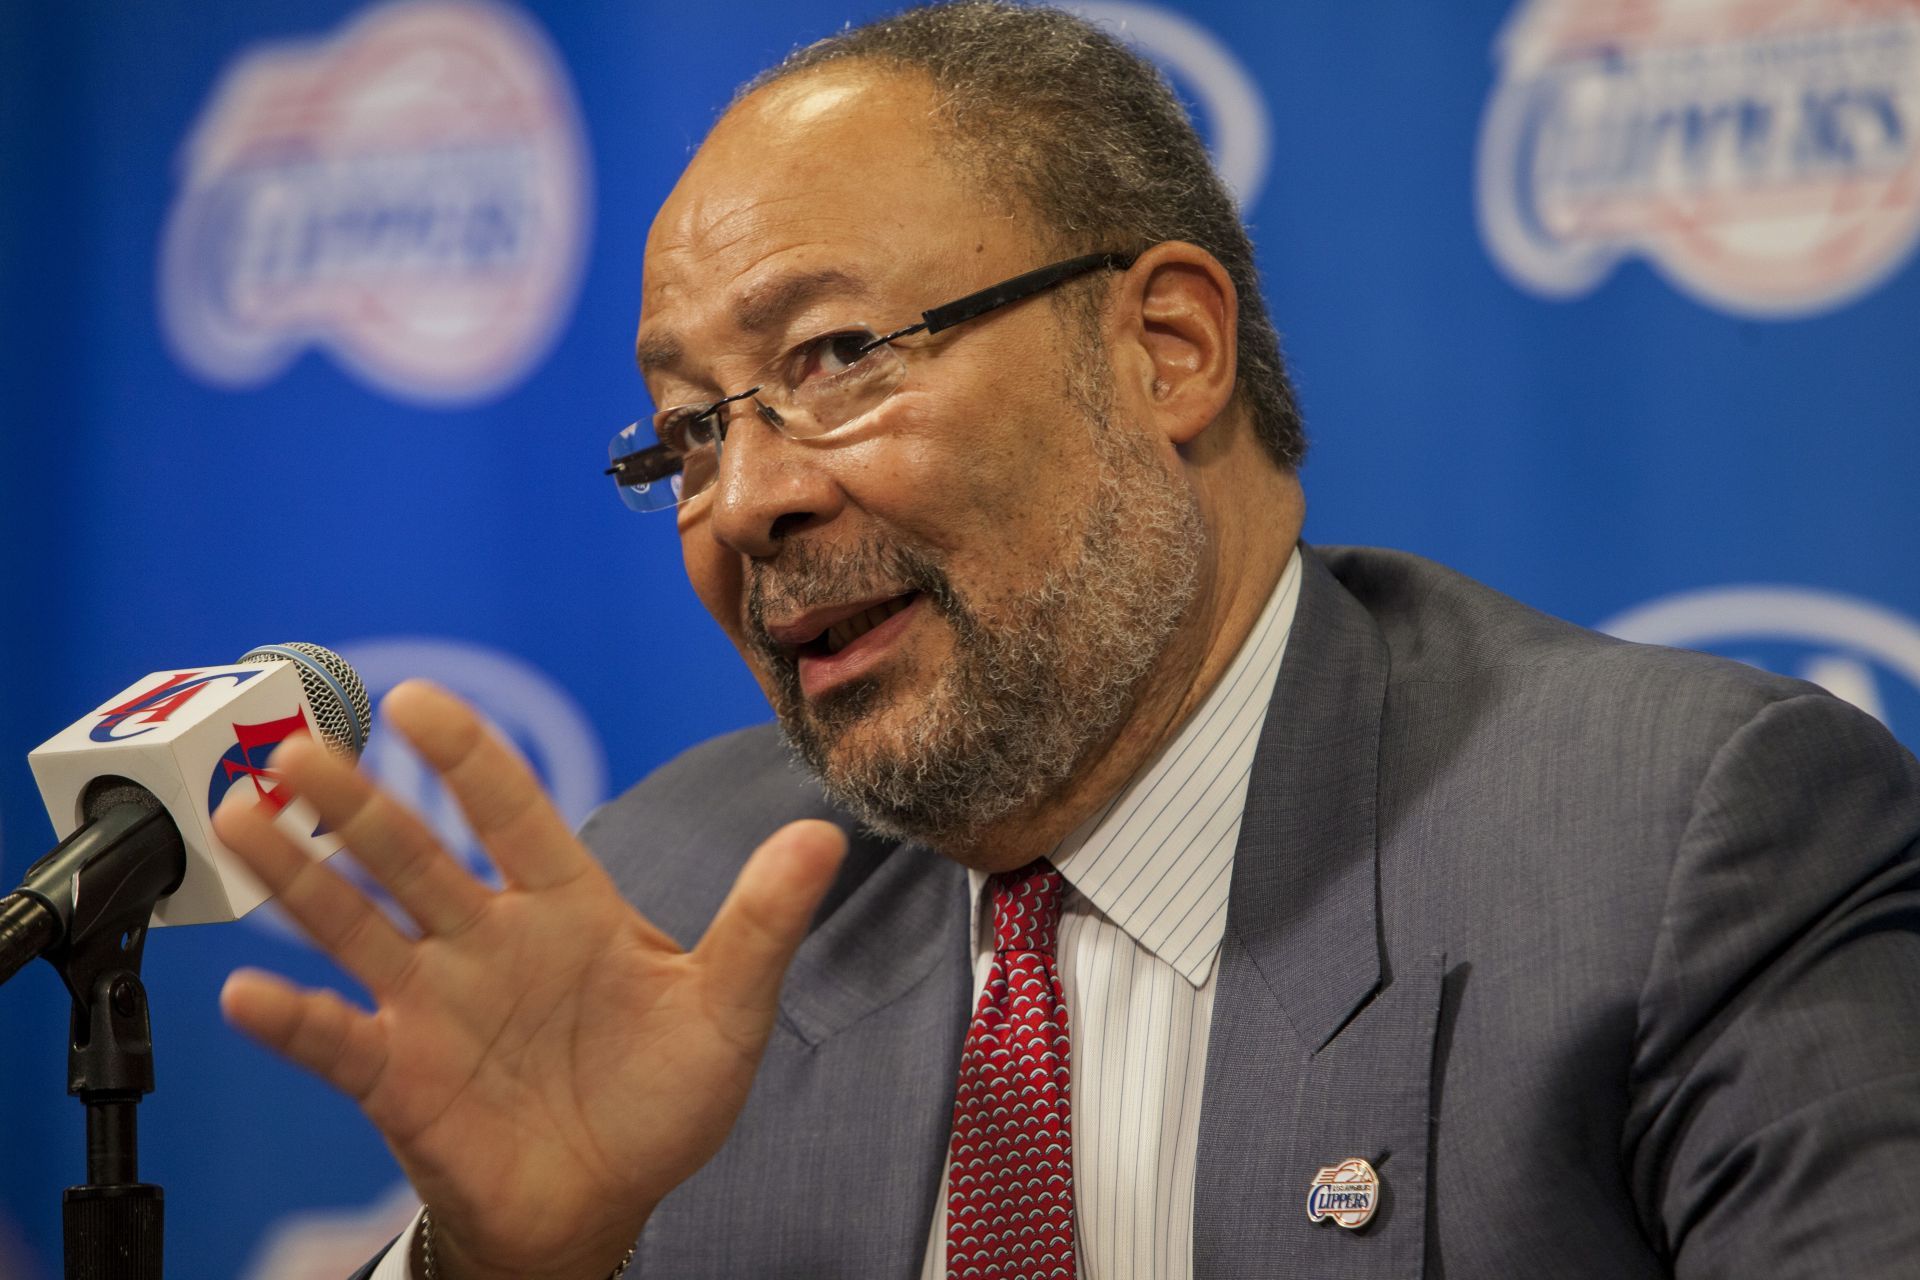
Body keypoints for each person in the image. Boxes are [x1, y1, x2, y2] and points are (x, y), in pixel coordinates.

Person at [214, 4, 1920, 1278]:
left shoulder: (1672, 840)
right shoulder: (671, 898)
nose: (741, 503)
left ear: (1167, 349)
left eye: (829, 360)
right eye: (683, 435)